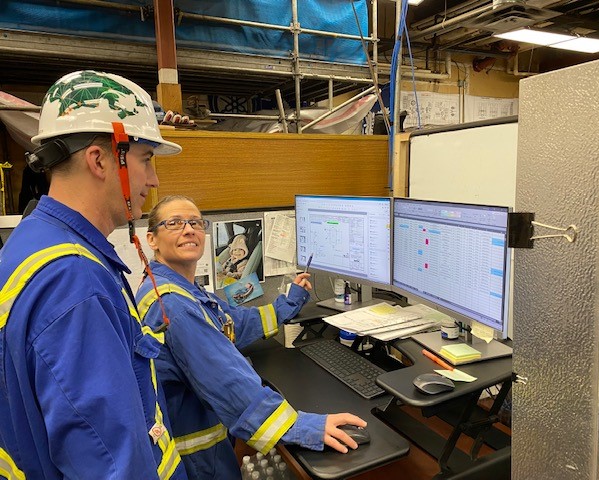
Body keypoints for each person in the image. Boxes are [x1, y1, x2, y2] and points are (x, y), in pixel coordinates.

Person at [0, 70, 187, 479]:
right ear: (100, 160)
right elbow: (111, 465)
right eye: (146, 159)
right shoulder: (74, 282)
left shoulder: (32, 241)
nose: (154, 180)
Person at [136, 195, 367, 480]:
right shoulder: (174, 305)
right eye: (174, 223)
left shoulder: (177, 288)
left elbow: (232, 323)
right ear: (152, 239)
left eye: (195, 222)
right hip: (197, 455)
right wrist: (301, 427)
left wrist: (289, 302)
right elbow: (226, 381)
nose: (188, 229)